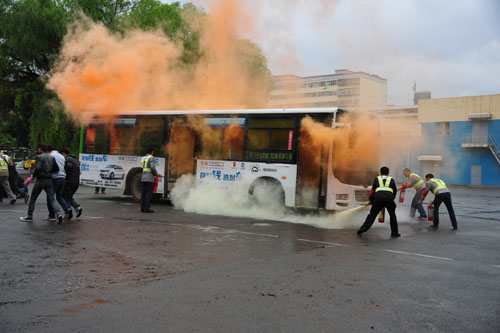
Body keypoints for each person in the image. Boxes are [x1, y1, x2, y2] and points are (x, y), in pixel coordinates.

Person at [20, 143, 62, 223]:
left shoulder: (39, 157)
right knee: (51, 198)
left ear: (40, 149)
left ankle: (29, 216)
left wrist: (33, 176)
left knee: (33, 198)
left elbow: (38, 168)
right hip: (49, 180)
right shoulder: (51, 157)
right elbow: (56, 169)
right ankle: (58, 213)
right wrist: (48, 171)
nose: (37, 150)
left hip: (40, 180)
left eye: (38, 148)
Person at [357, 166, 400, 238]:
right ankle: (394, 233)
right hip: (389, 199)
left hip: (378, 199)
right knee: (392, 215)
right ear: (388, 173)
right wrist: (392, 199)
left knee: (372, 215)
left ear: (380, 172)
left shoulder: (377, 179)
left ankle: (363, 229)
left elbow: (372, 191)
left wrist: (371, 200)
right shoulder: (391, 179)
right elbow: (394, 191)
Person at [47, 146, 72, 220]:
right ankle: (67, 208)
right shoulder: (61, 156)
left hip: (55, 178)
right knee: (59, 196)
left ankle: (53, 214)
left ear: (49, 151)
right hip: (63, 177)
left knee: (50, 197)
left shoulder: (51, 156)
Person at [61, 149, 83, 218]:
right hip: (76, 182)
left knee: (64, 197)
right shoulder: (75, 160)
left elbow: (68, 166)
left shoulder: (68, 159)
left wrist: (63, 167)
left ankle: (68, 212)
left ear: (64, 154)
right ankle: (77, 208)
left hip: (69, 182)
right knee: (69, 197)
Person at [140, 147, 160, 213]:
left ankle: (142, 208)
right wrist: (157, 174)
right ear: (151, 152)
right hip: (149, 179)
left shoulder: (143, 158)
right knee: (148, 194)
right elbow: (152, 167)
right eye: (153, 152)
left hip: (143, 178)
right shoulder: (151, 157)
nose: (153, 153)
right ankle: (147, 208)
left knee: (143, 194)